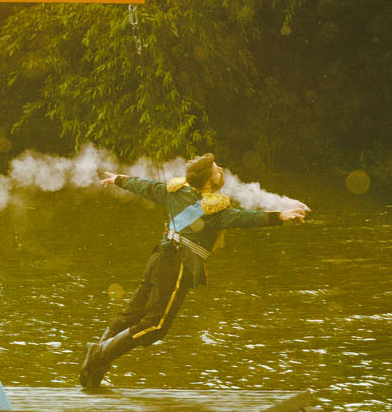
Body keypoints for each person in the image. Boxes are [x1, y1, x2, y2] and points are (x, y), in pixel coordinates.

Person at [79, 152, 308, 391]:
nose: (222, 170)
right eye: (218, 169)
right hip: (177, 265)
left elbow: (145, 186)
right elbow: (245, 218)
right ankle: (99, 354)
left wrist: (119, 179)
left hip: (158, 259)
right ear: (209, 182)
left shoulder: (175, 192)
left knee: (130, 316)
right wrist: (280, 216)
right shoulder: (214, 211)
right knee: (155, 326)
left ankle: (94, 369)